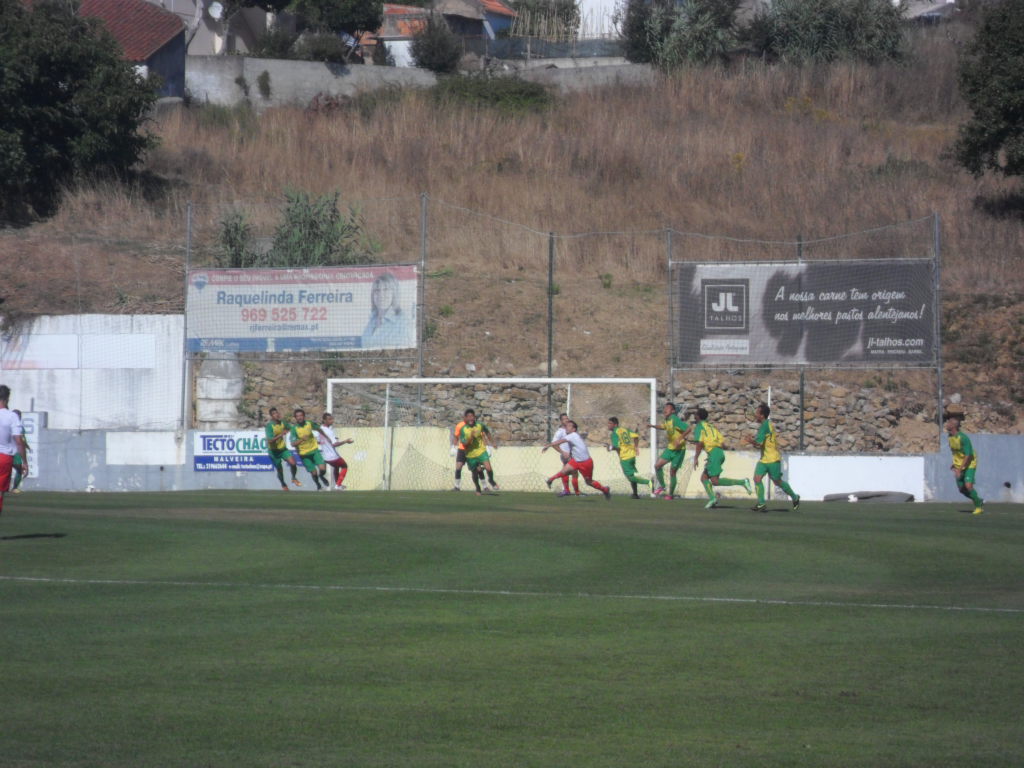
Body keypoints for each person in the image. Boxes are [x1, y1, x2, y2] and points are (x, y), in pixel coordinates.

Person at [691, 407, 753, 509]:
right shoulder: (711, 427)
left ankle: (743, 482)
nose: (694, 416)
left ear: (698, 416)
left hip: (714, 454)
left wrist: (696, 458)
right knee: (704, 478)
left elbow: (700, 443)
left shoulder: (699, 427)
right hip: (718, 453)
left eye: (695, 414)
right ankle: (712, 499)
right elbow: (722, 443)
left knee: (715, 481)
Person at [743, 403, 800, 512]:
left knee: (777, 482)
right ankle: (761, 503)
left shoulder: (764, 426)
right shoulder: (765, 424)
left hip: (773, 459)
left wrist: (751, 441)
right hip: (764, 459)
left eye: (757, 413)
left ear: (762, 415)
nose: (755, 414)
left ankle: (795, 497)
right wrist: (754, 442)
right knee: (757, 479)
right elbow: (761, 444)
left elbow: (759, 443)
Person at [544, 420, 612, 500]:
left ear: (574, 429)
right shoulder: (572, 436)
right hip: (576, 460)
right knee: (564, 471)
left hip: (585, 462)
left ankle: (605, 489)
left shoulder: (572, 435)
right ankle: (550, 480)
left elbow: (560, 441)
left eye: (569, 426)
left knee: (589, 482)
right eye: (566, 425)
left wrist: (549, 445)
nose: (567, 427)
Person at [648, 402, 692, 500]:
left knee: (672, 472)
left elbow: (688, 429)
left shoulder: (674, 419)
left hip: (679, 450)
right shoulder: (667, 420)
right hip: (671, 448)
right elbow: (663, 426)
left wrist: (679, 438)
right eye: (665, 407)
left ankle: (670, 495)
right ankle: (662, 486)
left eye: (668, 408)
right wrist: (652, 426)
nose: (665, 409)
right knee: (657, 466)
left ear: (673, 411)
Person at [361, 272, 412, 349]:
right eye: (377, 290)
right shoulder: (371, 321)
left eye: (386, 289)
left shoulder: (403, 322)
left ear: (394, 293)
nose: (381, 295)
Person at [945, 412, 983, 515]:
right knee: (962, 490)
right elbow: (955, 452)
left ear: (953, 426)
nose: (946, 424)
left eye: (948, 423)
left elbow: (968, 455)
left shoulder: (963, 438)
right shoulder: (950, 437)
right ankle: (978, 500)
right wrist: (954, 464)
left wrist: (960, 469)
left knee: (968, 486)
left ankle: (978, 507)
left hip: (970, 463)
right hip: (959, 464)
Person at [457, 409, 500, 495]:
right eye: (468, 416)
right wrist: (471, 438)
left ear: (474, 417)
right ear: (465, 418)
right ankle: (477, 487)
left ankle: (491, 480)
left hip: (481, 451)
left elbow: (487, 433)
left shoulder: (480, 425)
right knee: (475, 473)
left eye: (472, 416)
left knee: (488, 468)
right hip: (470, 455)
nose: (470, 418)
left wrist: (492, 443)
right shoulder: (463, 430)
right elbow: (464, 443)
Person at [0, 385, 28, 516]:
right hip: (4, 458)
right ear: (7, 399)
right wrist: (25, 462)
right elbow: (19, 441)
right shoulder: (11, 416)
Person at [608, 417, 651, 499]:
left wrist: (610, 448)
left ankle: (649, 482)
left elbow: (617, 447)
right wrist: (636, 447)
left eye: (610, 423)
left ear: (615, 424)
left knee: (630, 477)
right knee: (632, 475)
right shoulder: (624, 430)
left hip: (625, 457)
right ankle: (635, 494)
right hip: (632, 455)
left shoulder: (614, 433)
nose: (608, 425)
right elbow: (636, 436)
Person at [289, 408, 331, 490]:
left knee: (323, 469)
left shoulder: (309, 423)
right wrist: (301, 439)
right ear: (295, 418)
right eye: (297, 416)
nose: (299, 417)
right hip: (304, 454)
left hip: (314, 450)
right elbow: (293, 444)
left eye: (301, 415)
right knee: (314, 472)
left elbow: (319, 429)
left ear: (304, 416)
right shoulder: (294, 429)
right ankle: (318, 485)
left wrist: (327, 437)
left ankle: (321, 476)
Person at [265, 407, 301, 491]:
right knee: (280, 470)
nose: (276, 415)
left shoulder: (282, 423)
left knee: (293, 463)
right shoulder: (269, 426)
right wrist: (281, 435)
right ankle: (283, 483)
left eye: (277, 413)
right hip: (273, 451)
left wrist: (295, 432)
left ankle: (293, 478)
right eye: (274, 414)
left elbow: (291, 428)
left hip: (283, 449)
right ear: (271, 416)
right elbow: (270, 440)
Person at [317, 412, 354, 490]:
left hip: (324, 456)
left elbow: (318, 441)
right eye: (329, 419)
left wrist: (327, 442)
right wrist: (346, 441)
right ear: (324, 420)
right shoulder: (329, 431)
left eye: (332, 419)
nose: (332, 421)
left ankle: (337, 485)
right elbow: (335, 444)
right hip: (332, 456)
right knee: (344, 466)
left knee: (336, 467)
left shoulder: (320, 429)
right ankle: (338, 485)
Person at [541, 412, 575, 496]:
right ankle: (572, 491)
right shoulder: (560, 432)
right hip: (566, 455)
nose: (566, 420)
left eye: (567, 418)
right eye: (564, 419)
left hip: (572, 454)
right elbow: (554, 443)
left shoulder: (569, 430)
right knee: (573, 471)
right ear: (561, 421)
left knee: (568, 471)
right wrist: (563, 452)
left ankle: (565, 489)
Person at [11, 409, 29, 494]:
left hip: (11, 451)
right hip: (15, 451)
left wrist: (27, 445)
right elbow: (21, 439)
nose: (19, 417)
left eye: (20, 415)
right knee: (19, 469)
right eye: (18, 415)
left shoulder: (19, 426)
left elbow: (23, 438)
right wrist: (25, 444)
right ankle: (14, 488)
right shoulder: (18, 427)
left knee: (18, 469)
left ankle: (14, 487)